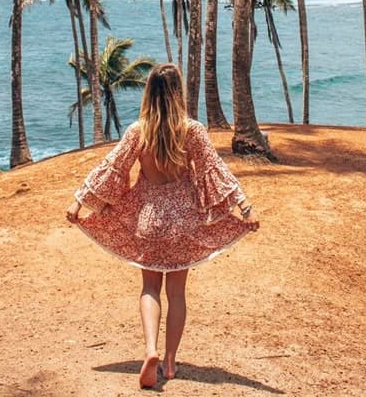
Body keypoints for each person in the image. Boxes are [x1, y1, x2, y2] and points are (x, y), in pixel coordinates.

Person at [65, 62, 259, 389]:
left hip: (148, 222)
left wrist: (77, 203)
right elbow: (216, 169)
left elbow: (112, 169)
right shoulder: (192, 130)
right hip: (183, 223)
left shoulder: (138, 131)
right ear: (177, 92)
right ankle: (169, 363)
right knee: (177, 293)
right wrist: (245, 208)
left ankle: (150, 350)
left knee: (150, 288)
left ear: (149, 92)